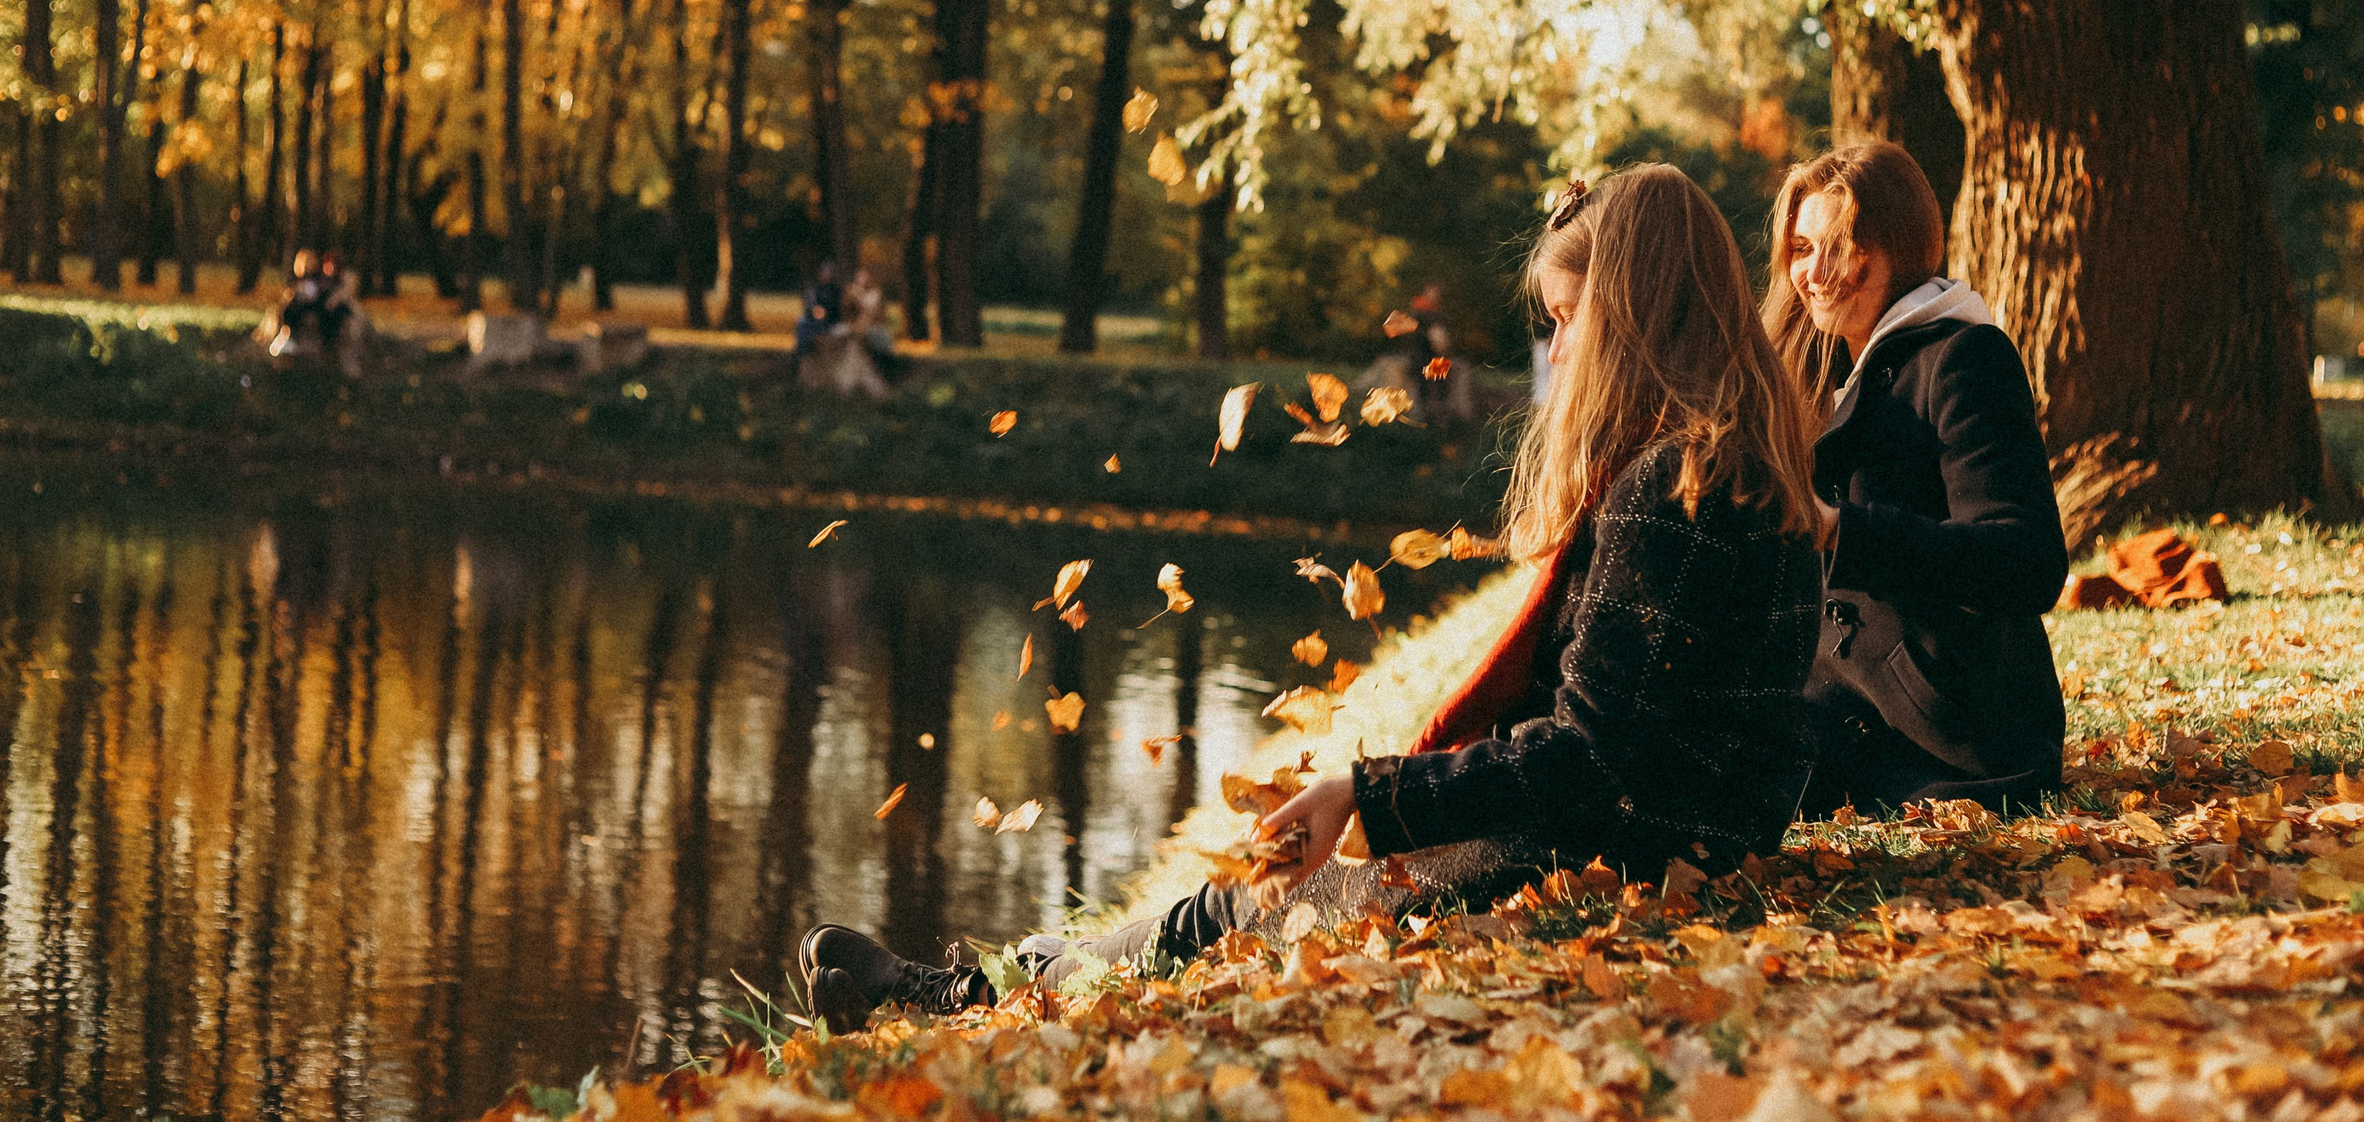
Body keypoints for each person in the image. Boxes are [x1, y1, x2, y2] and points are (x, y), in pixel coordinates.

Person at [795, 163, 1826, 1024]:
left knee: (1256, 897)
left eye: (1568, 319)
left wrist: (1365, 797)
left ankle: (967, 997)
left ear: (1636, 309)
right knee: (1248, 888)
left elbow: (1588, 756)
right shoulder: (1734, 463)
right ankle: (994, 977)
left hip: (1632, 855)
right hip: (1682, 839)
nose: (1558, 351)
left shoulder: (1668, 490)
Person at [1764, 143, 2069, 816]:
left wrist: (1842, 532)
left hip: (1951, 729)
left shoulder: (1966, 357)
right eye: (1800, 248)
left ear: (1893, 248)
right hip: (1834, 700)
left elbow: (2027, 560)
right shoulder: (1819, 371)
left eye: (1835, 247)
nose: (1811, 273)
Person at [795, 261, 848, 360]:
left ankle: (811, 351)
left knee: (819, 323)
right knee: (802, 322)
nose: (826, 276)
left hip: (830, 320)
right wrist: (814, 310)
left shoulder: (836, 290)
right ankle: (801, 352)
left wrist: (825, 312)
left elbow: (838, 309)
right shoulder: (813, 288)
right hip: (812, 317)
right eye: (824, 273)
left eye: (829, 273)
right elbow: (809, 304)